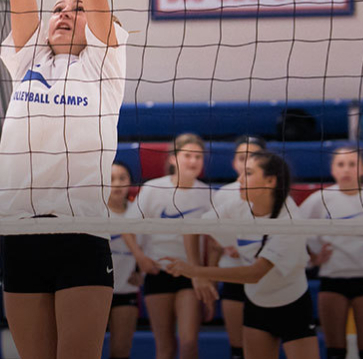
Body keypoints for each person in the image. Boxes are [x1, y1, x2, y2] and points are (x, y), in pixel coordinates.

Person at [0, 0, 128, 359]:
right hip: (19, 229)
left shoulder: (103, 64)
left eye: (76, 8)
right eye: (58, 8)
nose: (65, 12)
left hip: (80, 230)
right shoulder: (28, 60)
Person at [163, 150, 318, 359]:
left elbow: (255, 273)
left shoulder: (290, 220)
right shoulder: (239, 205)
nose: (239, 179)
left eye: (249, 173)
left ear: (270, 181)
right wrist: (198, 276)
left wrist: (194, 270)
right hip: (257, 303)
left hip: (292, 305)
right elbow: (191, 227)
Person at [123, 133, 212, 359]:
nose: (193, 161)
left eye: (198, 157)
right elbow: (126, 227)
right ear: (173, 158)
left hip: (190, 275)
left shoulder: (207, 194)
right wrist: (140, 258)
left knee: (189, 342)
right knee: (165, 347)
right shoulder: (154, 188)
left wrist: (208, 276)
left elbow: (213, 241)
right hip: (157, 272)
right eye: (188, 155)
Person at [299, 146, 363, 359]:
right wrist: (312, 259)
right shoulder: (320, 199)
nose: (346, 169)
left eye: (352, 164)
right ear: (332, 169)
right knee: (335, 351)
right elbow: (293, 231)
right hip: (332, 279)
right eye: (340, 164)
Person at [205, 135, 267, 359]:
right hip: (233, 275)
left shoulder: (274, 192)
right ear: (234, 163)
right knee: (238, 350)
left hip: (266, 279)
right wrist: (224, 245)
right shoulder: (223, 194)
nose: (247, 162)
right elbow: (211, 239)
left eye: (253, 157)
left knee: (261, 349)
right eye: (242, 157)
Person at [107, 162, 141, 359]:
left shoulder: (138, 213)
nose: (117, 184)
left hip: (126, 289)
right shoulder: (94, 213)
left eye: (122, 178)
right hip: (95, 289)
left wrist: (141, 273)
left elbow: (148, 248)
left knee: (120, 352)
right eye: (111, 179)